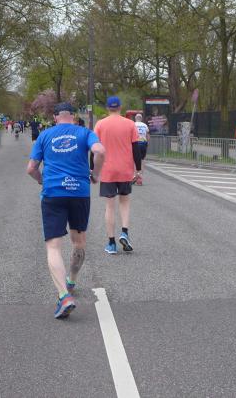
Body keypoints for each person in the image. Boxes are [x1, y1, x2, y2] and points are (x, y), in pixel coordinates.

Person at [27, 102, 106, 319]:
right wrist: (96, 175)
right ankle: (72, 280)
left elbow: (31, 168)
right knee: (79, 242)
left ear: (55, 117)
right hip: (79, 192)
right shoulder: (85, 132)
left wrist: (42, 181)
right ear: (73, 116)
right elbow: (99, 151)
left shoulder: (45, 136)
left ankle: (64, 296)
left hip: (53, 192)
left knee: (53, 246)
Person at [95, 96, 142, 254]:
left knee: (110, 206)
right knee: (125, 202)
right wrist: (138, 169)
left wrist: (93, 169)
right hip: (125, 169)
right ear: (120, 107)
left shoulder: (100, 124)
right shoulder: (130, 124)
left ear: (108, 108)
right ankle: (125, 232)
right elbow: (136, 149)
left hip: (107, 170)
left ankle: (111, 243)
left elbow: (95, 150)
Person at [133, 114, 149, 185]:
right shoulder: (145, 125)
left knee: (134, 160)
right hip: (143, 143)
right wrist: (147, 143)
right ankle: (140, 176)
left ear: (135, 118)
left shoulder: (133, 124)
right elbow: (147, 135)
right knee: (142, 160)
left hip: (136, 143)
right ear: (141, 119)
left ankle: (135, 175)